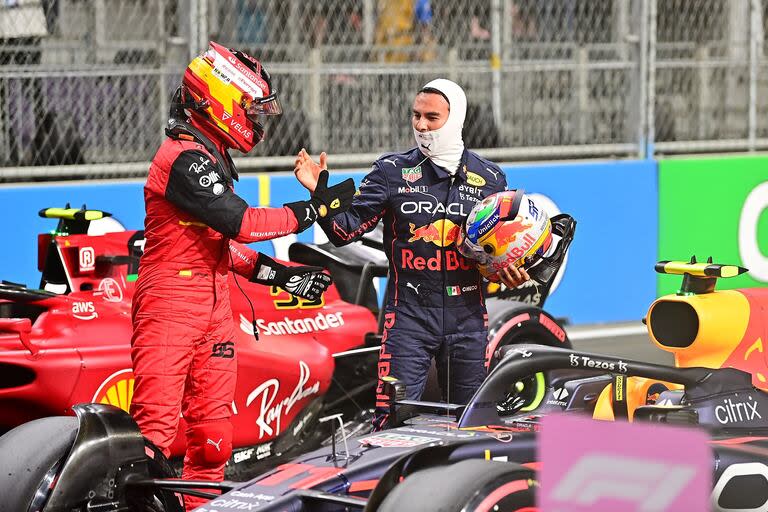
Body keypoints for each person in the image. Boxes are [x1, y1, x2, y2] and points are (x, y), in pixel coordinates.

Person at [130, 41, 354, 510]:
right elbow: (243, 223)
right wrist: (310, 209)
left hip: (212, 303)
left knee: (213, 438)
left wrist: (280, 276)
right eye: (251, 109)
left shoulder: (208, 155)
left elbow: (219, 248)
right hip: (170, 302)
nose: (257, 121)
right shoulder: (183, 158)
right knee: (151, 436)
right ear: (219, 99)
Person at [294, 78, 529, 430]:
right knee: (392, 423)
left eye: (431, 117)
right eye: (415, 116)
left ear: (456, 118)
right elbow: (345, 231)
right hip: (408, 320)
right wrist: (320, 194)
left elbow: (495, 253)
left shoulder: (491, 177)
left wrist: (506, 269)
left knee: (473, 425)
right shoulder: (391, 172)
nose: (421, 125)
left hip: (468, 319)